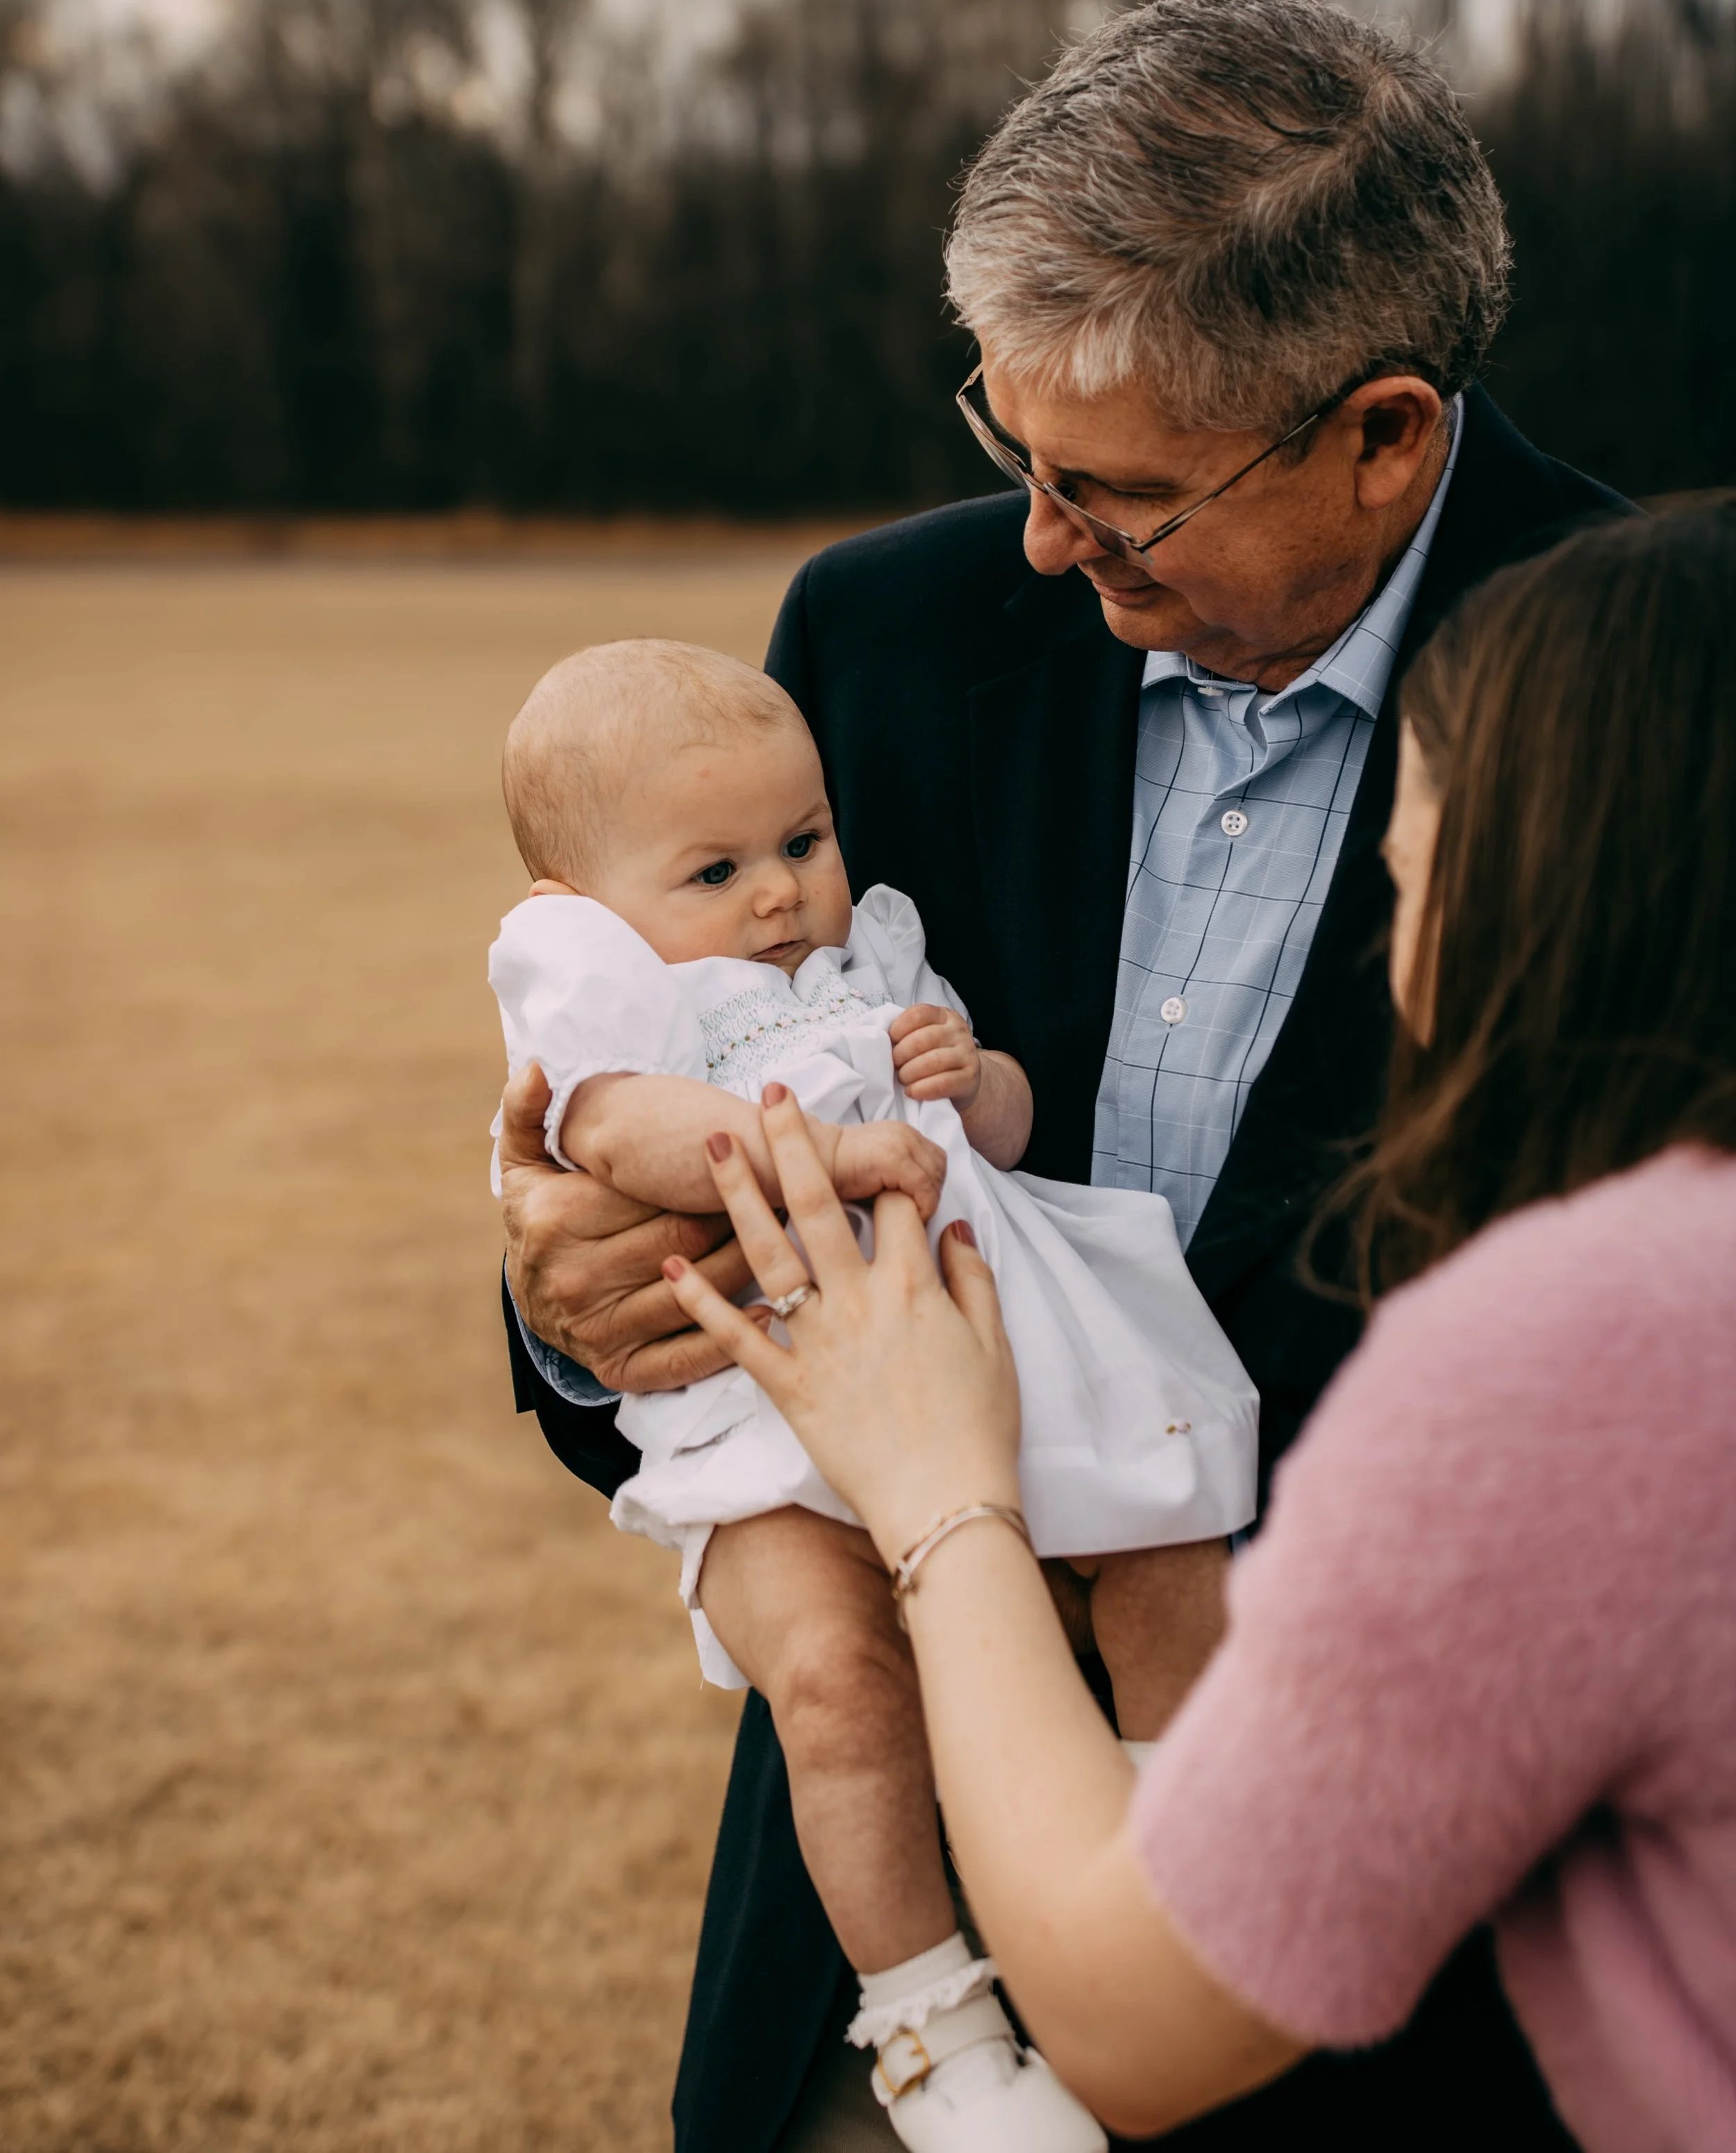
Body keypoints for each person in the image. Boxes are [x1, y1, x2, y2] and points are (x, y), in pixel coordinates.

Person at [496, 0, 1628, 2150]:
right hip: (900, 1843)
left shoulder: (1650, 675)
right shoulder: (875, 638)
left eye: (1115, 495)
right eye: (1013, 452)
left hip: (1425, 1939)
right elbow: (660, 1110)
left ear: (1381, 430)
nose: (1038, 539)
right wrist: (575, 1310)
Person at [664, 500, 1736, 2153]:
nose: (1389, 856)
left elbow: (1138, 2009)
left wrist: (940, 1485)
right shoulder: (878, 639)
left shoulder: (1580, 1344)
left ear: (1564, 869)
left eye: (1426, 812)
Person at [488, 638, 1256, 2151]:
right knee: (838, 1687)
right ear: (582, 910)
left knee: (1170, 1550)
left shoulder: (865, 964)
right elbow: (627, 1135)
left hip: (981, 1355)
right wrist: (825, 1156)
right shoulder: (607, 1000)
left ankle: (1178, 1881)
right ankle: (932, 2029)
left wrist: (972, 1084)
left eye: (801, 843)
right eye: (714, 870)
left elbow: (1016, 1133)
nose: (777, 893)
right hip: (770, 1418)